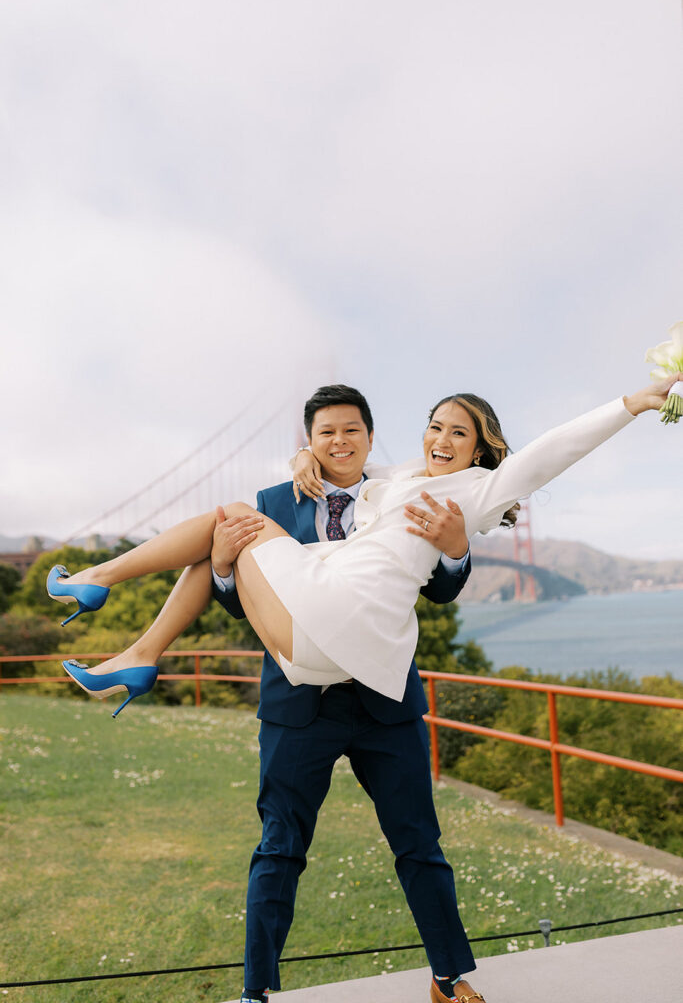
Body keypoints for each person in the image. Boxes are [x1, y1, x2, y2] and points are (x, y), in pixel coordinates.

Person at [49, 373, 680, 1003]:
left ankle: (447, 979)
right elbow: (241, 602)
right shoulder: (383, 485)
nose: (441, 438)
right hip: (304, 690)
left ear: (478, 448)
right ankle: (256, 992)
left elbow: (549, 453)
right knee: (278, 848)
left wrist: (633, 401)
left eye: (459, 432)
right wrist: (221, 560)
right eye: (435, 426)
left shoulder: (473, 492)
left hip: (372, 685)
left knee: (418, 846)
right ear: (317, 439)